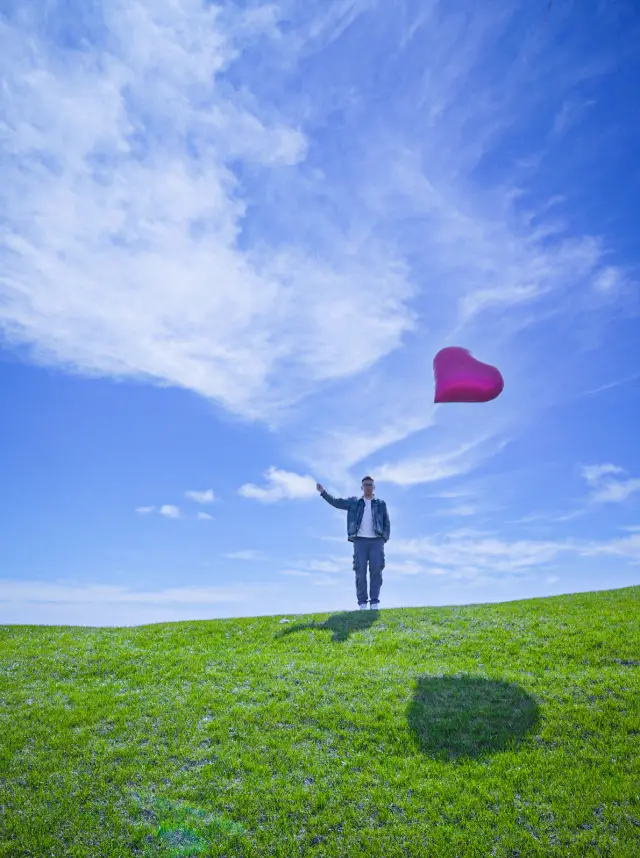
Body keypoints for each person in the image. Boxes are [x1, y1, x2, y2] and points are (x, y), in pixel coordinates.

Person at [316, 476, 390, 611]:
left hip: (376, 541)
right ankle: (362, 603)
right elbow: (337, 502)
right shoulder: (354, 502)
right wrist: (323, 493)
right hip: (360, 541)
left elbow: (386, 522)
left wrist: (383, 538)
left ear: (374, 487)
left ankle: (374, 603)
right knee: (360, 572)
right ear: (362, 487)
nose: (368, 487)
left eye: (370, 485)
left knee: (376, 572)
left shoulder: (380, 504)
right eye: (365, 485)